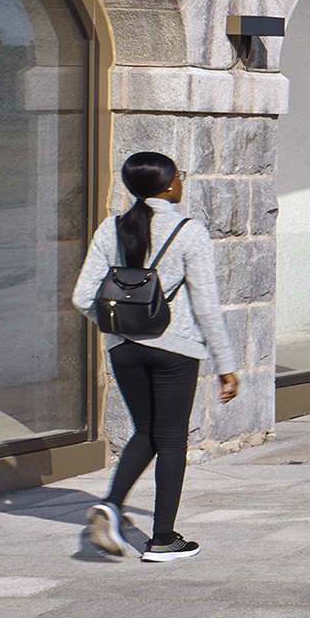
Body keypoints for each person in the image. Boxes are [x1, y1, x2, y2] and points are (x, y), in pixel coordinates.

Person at [71, 149, 240, 562]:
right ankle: (163, 539)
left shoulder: (109, 229)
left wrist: (117, 331)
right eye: (179, 176)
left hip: (124, 350)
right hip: (174, 349)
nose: (181, 181)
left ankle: (111, 505)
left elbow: (80, 297)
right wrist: (226, 365)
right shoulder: (189, 231)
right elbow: (205, 306)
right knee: (170, 440)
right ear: (167, 185)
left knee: (145, 430)